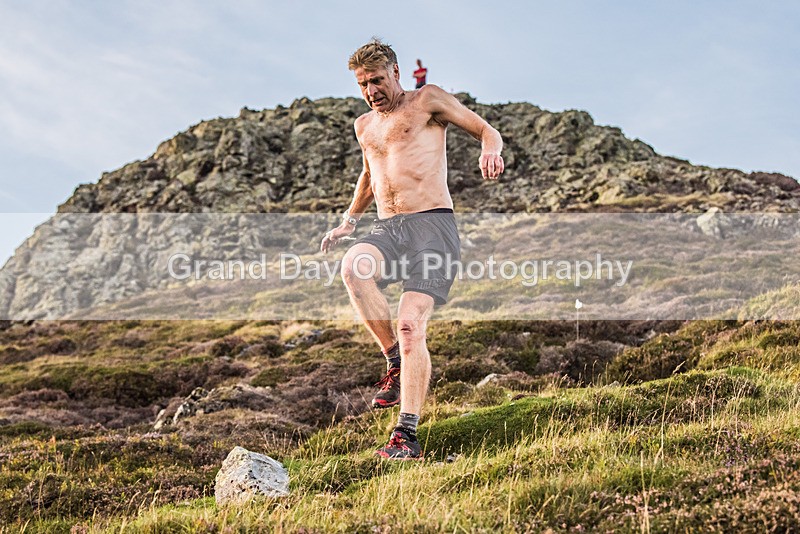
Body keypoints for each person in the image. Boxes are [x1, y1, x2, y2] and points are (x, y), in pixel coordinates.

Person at [320, 38, 504, 460]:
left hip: (432, 227)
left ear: (396, 73)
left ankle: (406, 436)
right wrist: (349, 220)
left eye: (378, 80)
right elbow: (370, 175)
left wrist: (490, 149)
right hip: (389, 228)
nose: (372, 91)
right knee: (353, 268)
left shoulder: (427, 101)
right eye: (364, 84)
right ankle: (395, 363)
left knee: (410, 326)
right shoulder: (364, 125)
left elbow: (484, 129)